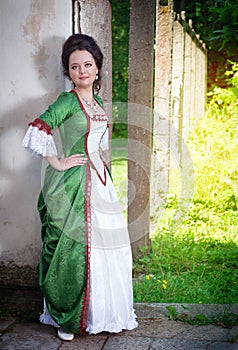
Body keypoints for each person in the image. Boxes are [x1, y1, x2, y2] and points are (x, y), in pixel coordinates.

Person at [22, 33, 138, 341]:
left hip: (101, 185)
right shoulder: (67, 101)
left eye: (87, 64)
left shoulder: (97, 102)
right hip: (73, 185)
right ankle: (68, 316)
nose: (82, 71)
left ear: (97, 68)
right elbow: (38, 127)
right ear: (68, 71)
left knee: (107, 249)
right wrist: (58, 162)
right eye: (74, 67)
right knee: (71, 251)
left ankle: (99, 313)